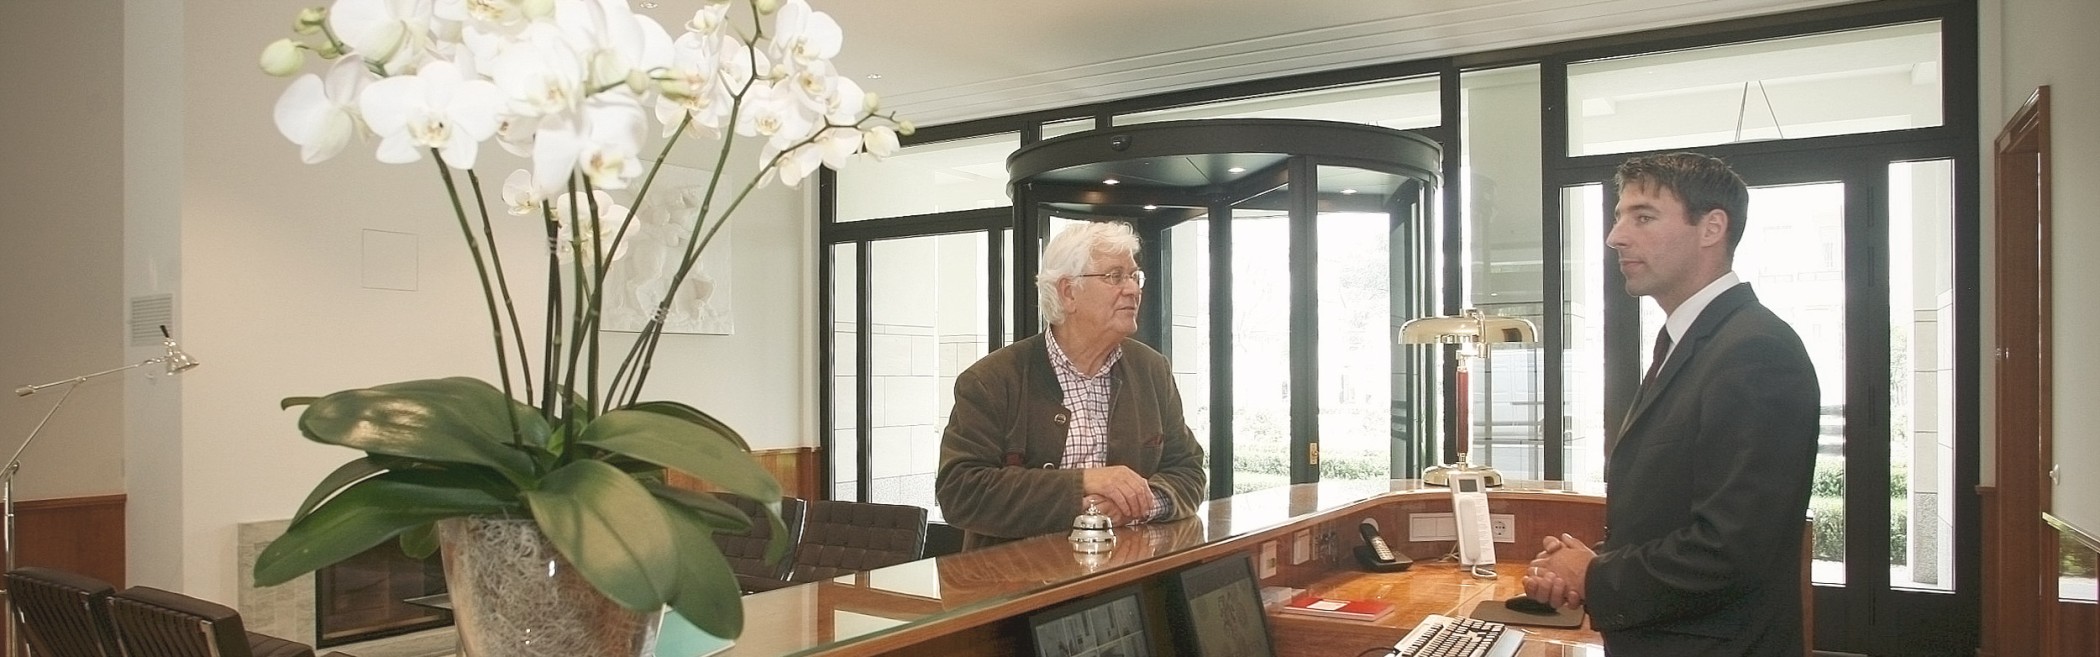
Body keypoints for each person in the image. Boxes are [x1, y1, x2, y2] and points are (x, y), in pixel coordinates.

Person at [1523, 152, 1820, 656]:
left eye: (1642, 217)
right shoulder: (1689, 340)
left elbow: (1730, 549)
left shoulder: (1755, 351)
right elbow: (1672, 513)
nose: (1616, 236)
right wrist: (1585, 567)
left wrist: (1595, 575)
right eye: (1619, 217)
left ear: (1711, 228)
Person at [935, 221, 1206, 549]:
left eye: (1135, 276)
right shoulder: (991, 381)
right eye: (1115, 276)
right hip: (1018, 588)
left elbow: (1188, 470)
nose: (1133, 289)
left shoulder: (1152, 371)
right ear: (1068, 292)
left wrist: (1140, 503)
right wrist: (1083, 484)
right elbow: (960, 492)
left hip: (1126, 584)